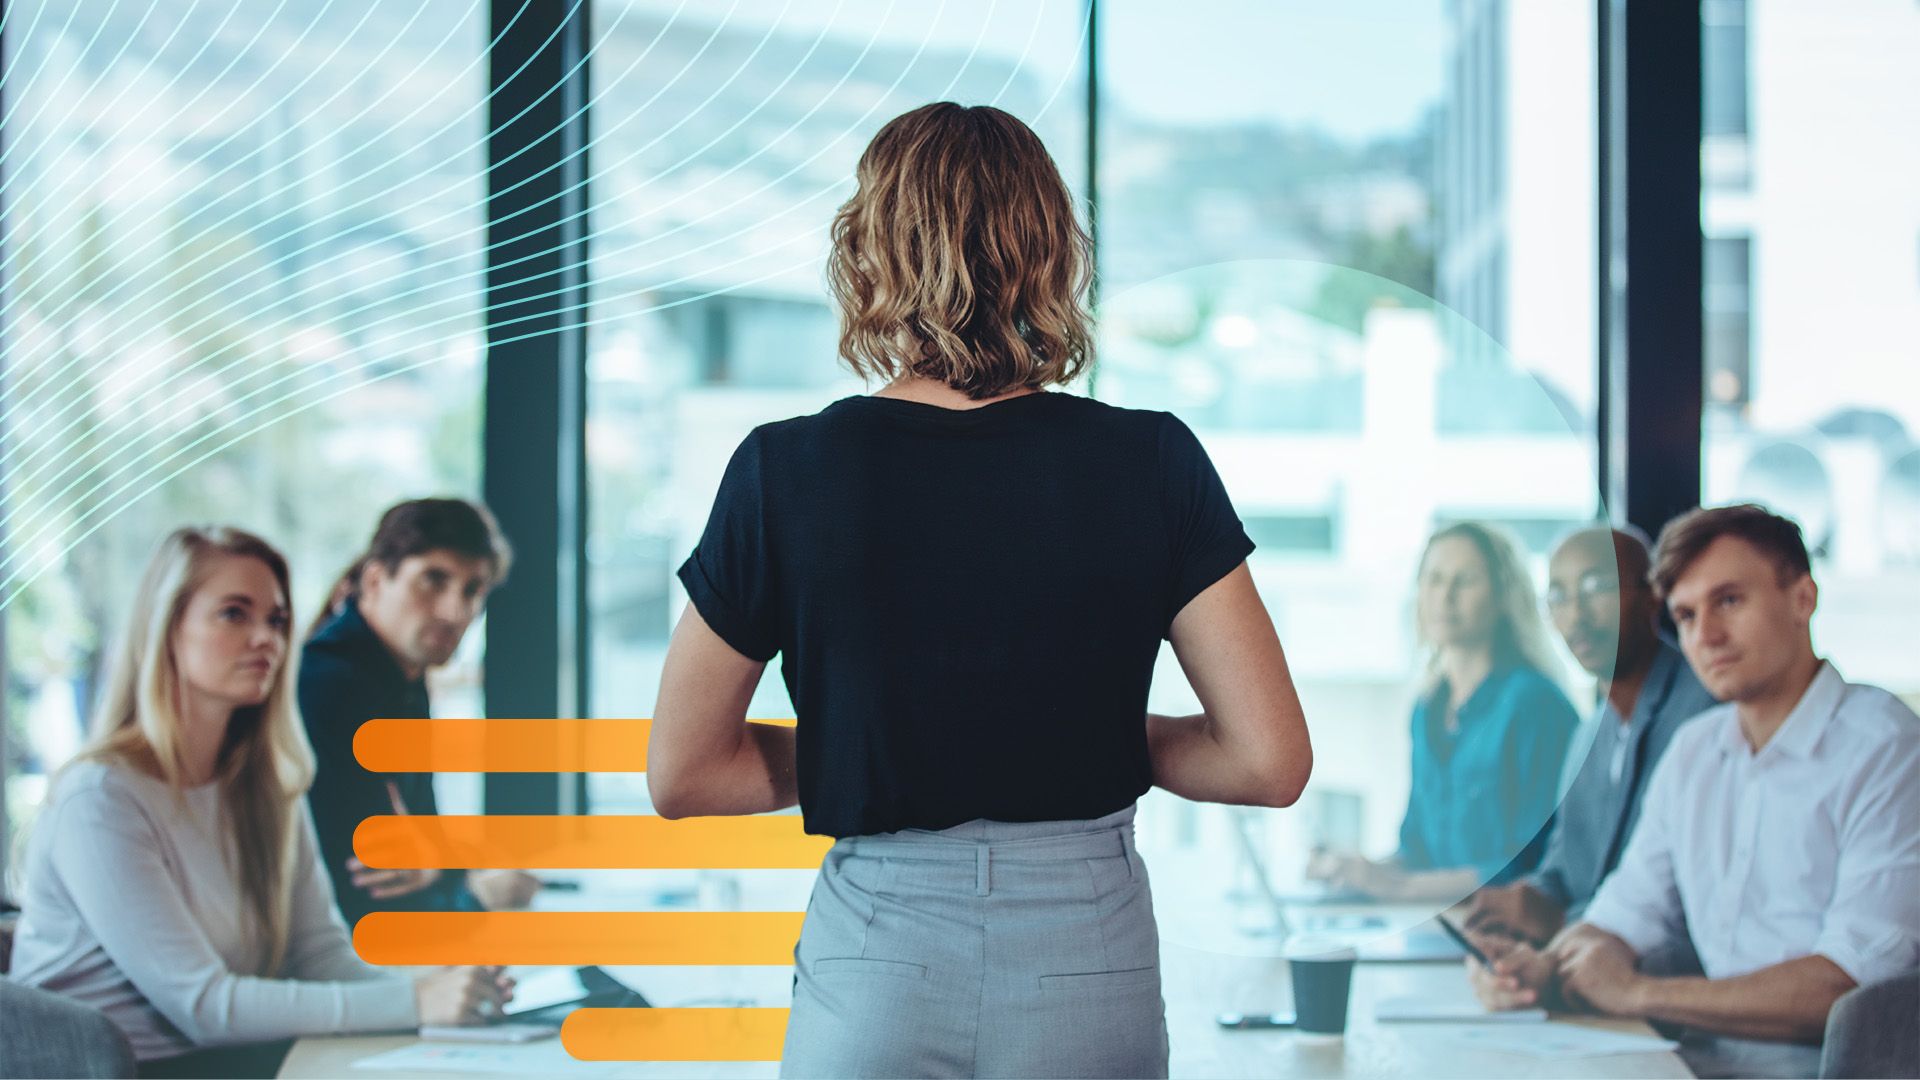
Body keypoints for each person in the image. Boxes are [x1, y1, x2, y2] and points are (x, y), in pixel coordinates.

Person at [645, 102, 1313, 1080]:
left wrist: (879, 744)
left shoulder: (783, 471)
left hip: (879, 953)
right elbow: (1269, 762)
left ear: (869, 251)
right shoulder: (1153, 460)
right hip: (1085, 949)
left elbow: (684, 772)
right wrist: (1069, 733)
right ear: (1049, 252)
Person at [8, 526, 509, 1078]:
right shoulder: (100, 796)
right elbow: (204, 1006)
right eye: (234, 614)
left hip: (232, 1062)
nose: (265, 639)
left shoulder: (267, 784)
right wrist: (416, 1001)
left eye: (276, 620)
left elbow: (321, 958)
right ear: (167, 627)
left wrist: (444, 986)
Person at [1473, 505, 1919, 1077]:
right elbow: (1621, 913)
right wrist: (1541, 969)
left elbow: (1849, 986)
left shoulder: (1885, 749)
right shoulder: (1695, 751)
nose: (1705, 635)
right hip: (1692, 1064)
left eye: (1729, 601)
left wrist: (1635, 993)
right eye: (1685, 615)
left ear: (1803, 598)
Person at [1461, 527, 1717, 947]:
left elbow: (1679, 898)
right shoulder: (1587, 735)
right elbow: (1560, 872)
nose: (1576, 615)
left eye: (1597, 587)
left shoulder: (1705, 713)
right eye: (1558, 597)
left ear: (1654, 594)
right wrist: (1528, 898)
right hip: (1585, 964)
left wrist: (1558, 921)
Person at [1306, 522, 1580, 902]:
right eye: (1434, 579)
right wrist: (1356, 871)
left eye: (1464, 580)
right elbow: (1416, 851)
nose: (1444, 596)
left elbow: (1533, 865)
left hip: (1505, 934)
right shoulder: (1427, 709)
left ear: (1504, 596)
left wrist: (1401, 888)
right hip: (1437, 925)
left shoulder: (1536, 704)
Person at [301, 498, 540, 927]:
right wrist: (475, 893)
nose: (456, 611)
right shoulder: (333, 685)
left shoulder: (402, 680)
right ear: (375, 580)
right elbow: (367, 892)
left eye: (473, 590)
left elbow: (422, 841)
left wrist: (443, 864)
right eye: (434, 580)